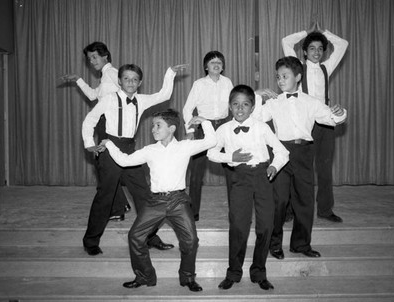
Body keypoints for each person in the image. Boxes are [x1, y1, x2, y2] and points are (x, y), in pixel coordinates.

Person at [102, 110, 216, 292]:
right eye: (153, 125)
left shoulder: (185, 146)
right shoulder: (150, 150)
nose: (153, 129)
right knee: (135, 236)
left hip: (178, 201)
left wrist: (204, 121)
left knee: (191, 240)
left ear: (171, 128)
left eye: (158, 125)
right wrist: (109, 144)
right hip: (155, 202)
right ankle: (145, 276)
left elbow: (212, 141)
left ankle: (187, 277)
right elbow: (124, 161)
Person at [81, 63, 187, 256]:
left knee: (144, 196)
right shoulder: (108, 99)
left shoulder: (142, 100)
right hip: (110, 149)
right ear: (119, 81)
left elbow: (163, 95)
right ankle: (91, 241)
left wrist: (170, 73)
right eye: (126, 79)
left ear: (140, 82)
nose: (131, 82)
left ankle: (150, 237)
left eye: (135, 79)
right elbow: (90, 119)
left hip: (130, 150)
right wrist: (89, 142)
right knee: (105, 196)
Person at [253, 56, 347, 260]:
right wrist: (257, 95)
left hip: (304, 153)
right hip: (281, 154)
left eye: (284, 76)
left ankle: (301, 244)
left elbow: (332, 118)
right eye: (278, 77)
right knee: (279, 201)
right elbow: (254, 117)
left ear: (298, 76)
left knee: (304, 200)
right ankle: (274, 244)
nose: (280, 80)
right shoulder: (274, 102)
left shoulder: (311, 102)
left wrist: (340, 113)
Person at [207, 85, 289, 291]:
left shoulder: (262, 127)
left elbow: (282, 151)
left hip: (263, 177)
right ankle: (234, 272)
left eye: (245, 104)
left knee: (266, 226)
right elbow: (211, 153)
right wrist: (230, 157)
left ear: (252, 107)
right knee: (238, 226)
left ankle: (259, 271)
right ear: (229, 106)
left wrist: (274, 166)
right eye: (236, 104)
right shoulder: (224, 129)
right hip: (240, 178)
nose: (240, 108)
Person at [282, 22, 349, 223]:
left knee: (324, 168)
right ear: (304, 51)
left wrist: (325, 33)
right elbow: (286, 41)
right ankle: (291, 210)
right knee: (299, 169)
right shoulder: (296, 66)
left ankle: (325, 210)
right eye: (312, 48)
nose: (317, 52)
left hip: (325, 123)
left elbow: (343, 44)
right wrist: (308, 32)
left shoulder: (327, 67)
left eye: (320, 49)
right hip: (303, 123)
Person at [60, 41, 130, 221]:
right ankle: (119, 205)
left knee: (106, 167)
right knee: (107, 166)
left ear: (105, 55)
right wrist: (78, 79)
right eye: (89, 58)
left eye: (94, 57)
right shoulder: (105, 77)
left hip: (110, 124)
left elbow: (129, 90)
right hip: (103, 123)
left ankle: (118, 207)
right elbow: (93, 95)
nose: (91, 61)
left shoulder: (113, 73)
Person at [182, 50, 234, 222]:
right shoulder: (199, 84)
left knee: (232, 170)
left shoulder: (227, 82)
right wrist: (190, 131)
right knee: (197, 173)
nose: (216, 65)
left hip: (224, 126)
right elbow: (187, 109)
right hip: (204, 128)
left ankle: (236, 211)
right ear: (206, 66)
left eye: (219, 62)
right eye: (212, 62)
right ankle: (193, 212)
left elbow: (234, 106)